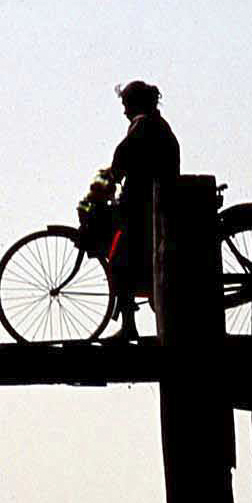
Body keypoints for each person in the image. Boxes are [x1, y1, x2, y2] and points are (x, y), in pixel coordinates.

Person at [106, 80, 180, 339]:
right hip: (157, 206)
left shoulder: (142, 126)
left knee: (118, 258)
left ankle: (128, 326)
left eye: (126, 104)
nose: (124, 111)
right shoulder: (159, 126)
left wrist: (105, 183)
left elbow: (121, 159)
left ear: (135, 104)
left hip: (144, 208)